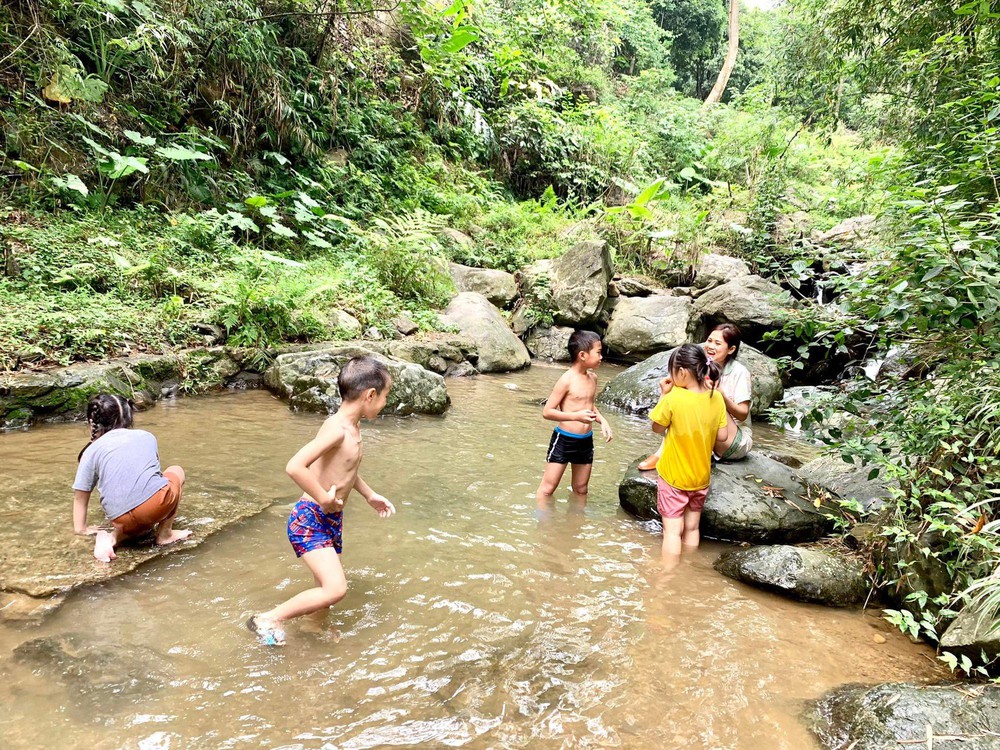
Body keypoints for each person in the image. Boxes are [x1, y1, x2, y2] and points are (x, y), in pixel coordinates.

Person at [247, 356, 396, 646]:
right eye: (386, 397)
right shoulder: (337, 429)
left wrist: (369, 495)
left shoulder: (351, 427)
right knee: (336, 588)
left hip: (328, 518)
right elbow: (295, 466)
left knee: (325, 583)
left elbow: (346, 468)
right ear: (370, 395)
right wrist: (322, 498)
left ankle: (313, 627)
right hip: (310, 518)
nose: (385, 403)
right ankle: (266, 618)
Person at [72, 394, 191, 563]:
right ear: (129, 417)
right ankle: (165, 534)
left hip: (119, 517)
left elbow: (80, 497)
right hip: (152, 507)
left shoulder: (91, 451)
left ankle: (110, 539)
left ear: (93, 423)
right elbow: (153, 479)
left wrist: (81, 529)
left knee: (135, 521)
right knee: (176, 470)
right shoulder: (146, 436)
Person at [648, 344, 727, 563]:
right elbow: (722, 436)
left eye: (672, 371)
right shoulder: (716, 397)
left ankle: (669, 575)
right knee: (692, 528)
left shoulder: (674, 398)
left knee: (672, 531)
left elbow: (656, 427)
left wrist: (664, 395)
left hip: (674, 477)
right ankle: (689, 567)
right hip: (701, 478)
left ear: (682, 372)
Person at [638, 323, 753, 469]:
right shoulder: (699, 363)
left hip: (733, 441)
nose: (710, 346)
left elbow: (743, 414)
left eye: (717, 343)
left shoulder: (740, 372)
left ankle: (662, 454)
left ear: (731, 349)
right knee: (682, 392)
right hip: (706, 437)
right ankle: (664, 451)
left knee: (710, 396)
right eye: (709, 341)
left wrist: (722, 395)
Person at [535, 330, 613, 512]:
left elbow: (590, 405)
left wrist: (603, 421)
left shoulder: (593, 378)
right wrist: (576, 416)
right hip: (564, 440)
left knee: (581, 488)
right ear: (583, 355)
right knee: (548, 488)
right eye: (599, 352)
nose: (602, 357)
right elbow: (547, 412)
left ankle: (575, 524)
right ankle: (543, 523)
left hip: (585, 441)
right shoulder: (566, 380)